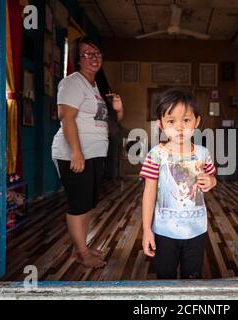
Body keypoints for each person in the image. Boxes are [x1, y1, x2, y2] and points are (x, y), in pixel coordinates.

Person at [51, 36, 124, 268]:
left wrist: (119, 110)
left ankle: (80, 247)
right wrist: (76, 152)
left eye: (97, 53)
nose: (94, 58)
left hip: (95, 152)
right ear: (77, 59)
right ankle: (82, 253)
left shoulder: (97, 86)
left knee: (89, 203)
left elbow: (108, 123)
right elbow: (66, 117)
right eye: (87, 54)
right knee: (78, 204)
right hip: (74, 153)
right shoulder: (72, 82)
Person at [139, 88, 217, 279]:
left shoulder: (203, 153)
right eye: (171, 121)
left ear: (196, 122)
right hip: (164, 231)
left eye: (186, 120)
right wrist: (147, 229)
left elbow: (212, 178)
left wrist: (211, 181)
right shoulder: (156, 154)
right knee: (165, 278)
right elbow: (149, 192)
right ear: (161, 124)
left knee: (193, 278)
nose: (179, 127)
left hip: (196, 229)